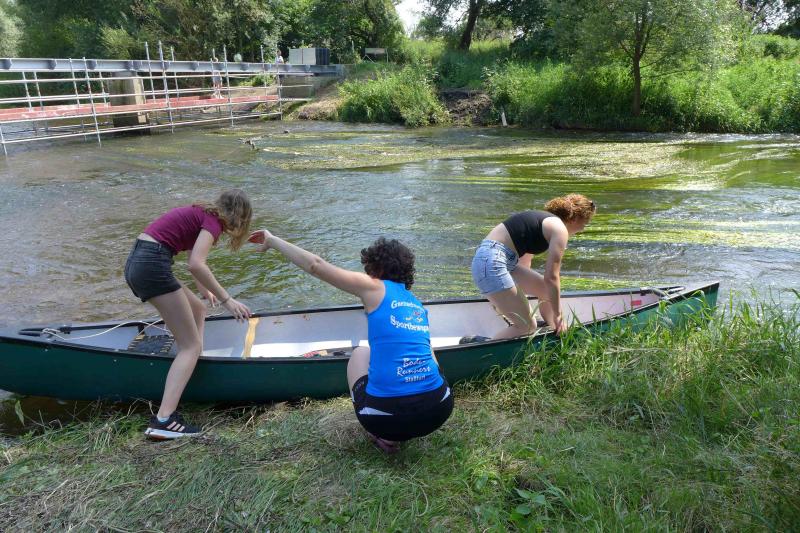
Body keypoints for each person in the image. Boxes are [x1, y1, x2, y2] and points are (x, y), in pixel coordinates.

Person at [250, 231, 453, 453]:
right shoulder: (417, 305)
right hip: (439, 409)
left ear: (376, 269)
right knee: (424, 348)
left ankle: (384, 435)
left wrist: (273, 240)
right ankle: (410, 415)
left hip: (386, 419)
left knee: (360, 353)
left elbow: (315, 265)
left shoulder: (374, 286)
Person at [124, 190, 253, 439]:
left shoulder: (202, 214)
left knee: (198, 308)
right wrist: (227, 300)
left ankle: (193, 362)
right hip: (152, 264)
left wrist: (204, 290)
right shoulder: (213, 222)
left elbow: (193, 261)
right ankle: (164, 420)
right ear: (240, 217)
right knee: (189, 346)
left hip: (140, 261)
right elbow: (196, 263)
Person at [469, 193, 596, 340]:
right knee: (527, 326)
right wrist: (558, 315)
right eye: (584, 224)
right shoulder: (560, 229)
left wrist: (515, 300)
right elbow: (552, 277)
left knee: (544, 290)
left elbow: (525, 264)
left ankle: (555, 331)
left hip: (491, 260)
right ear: (575, 219)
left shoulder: (542, 221)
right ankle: (476, 344)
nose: (582, 229)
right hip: (492, 263)